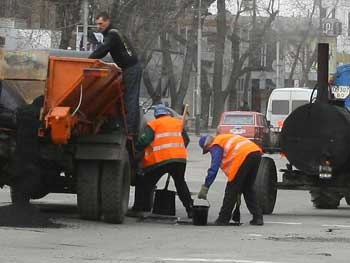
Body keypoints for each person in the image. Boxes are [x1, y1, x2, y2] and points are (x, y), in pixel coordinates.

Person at [129, 104, 193, 218]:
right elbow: (186, 140)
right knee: (180, 183)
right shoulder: (177, 123)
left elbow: (145, 140)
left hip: (162, 160)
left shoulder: (154, 124)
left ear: (156, 115)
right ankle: (191, 209)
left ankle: (139, 208)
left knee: (147, 182)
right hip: (179, 159)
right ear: (168, 113)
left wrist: (136, 148)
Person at [89, 12, 142, 141]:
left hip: (131, 68)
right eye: (97, 24)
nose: (99, 27)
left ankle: (130, 130)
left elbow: (103, 50)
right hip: (129, 67)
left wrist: (89, 60)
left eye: (101, 24)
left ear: (108, 21)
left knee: (130, 99)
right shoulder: (115, 32)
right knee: (124, 98)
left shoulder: (112, 35)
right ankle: (126, 127)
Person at [197, 134, 263, 225]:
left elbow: (214, 168)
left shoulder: (216, 144)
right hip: (256, 153)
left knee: (231, 190)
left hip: (243, 156)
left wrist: (206, 186)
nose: (210, 152)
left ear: (207, 145)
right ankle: (258, 217)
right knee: (248, 188)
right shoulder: (222, 138)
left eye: (208, 150)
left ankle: (223, 219)